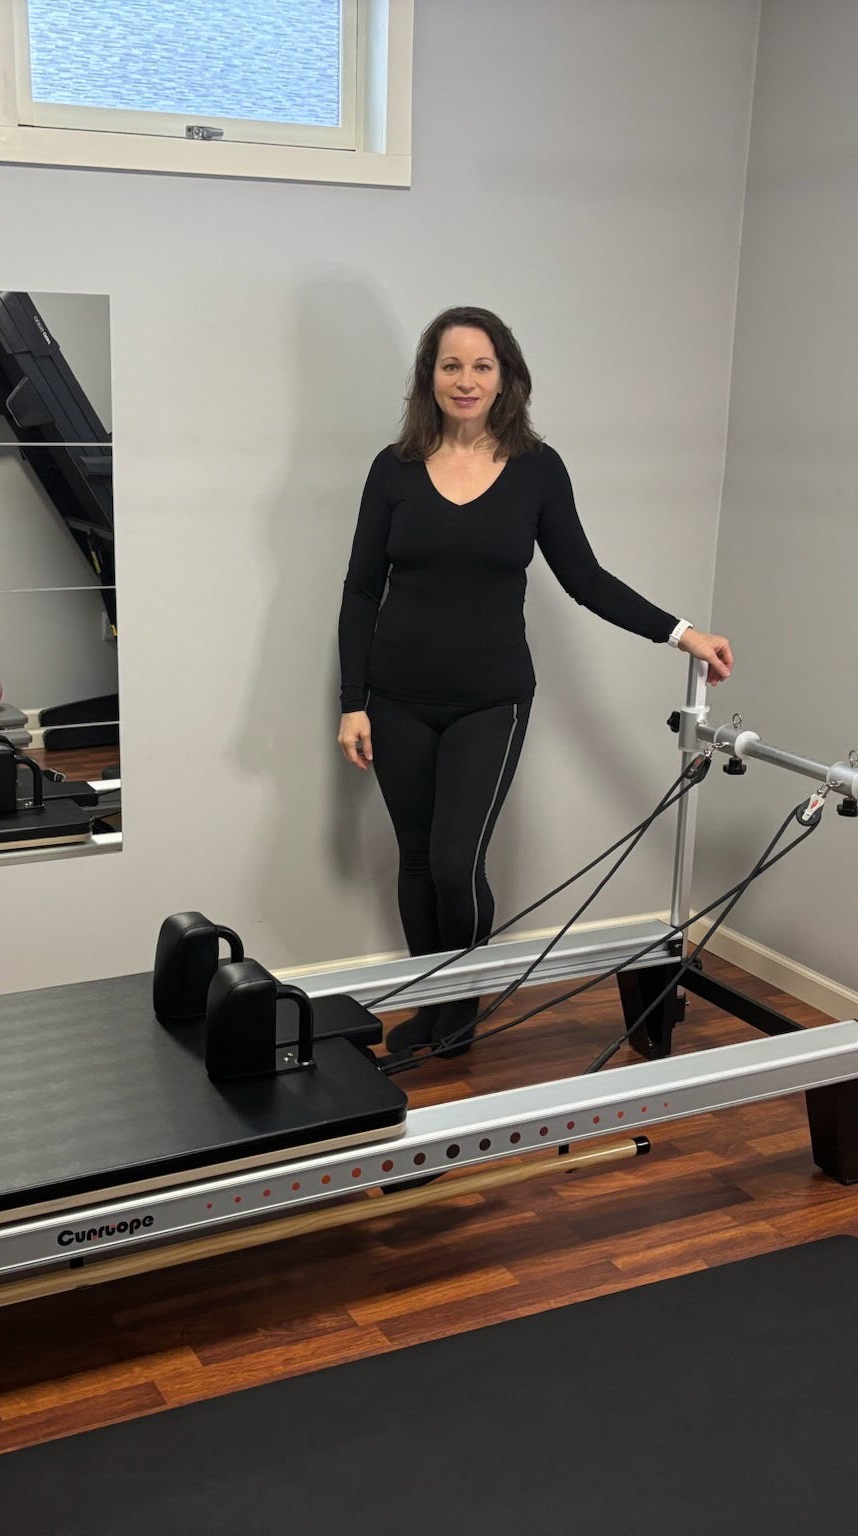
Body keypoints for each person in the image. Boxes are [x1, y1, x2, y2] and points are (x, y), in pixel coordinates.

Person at [336, 306, 733, 1060]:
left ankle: (459, 1007)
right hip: (396, 698)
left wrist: (682, 632)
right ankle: (432, 1007)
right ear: (429, 376)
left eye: (481, 366)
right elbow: (360, 590)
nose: (465, 380)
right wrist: (352, 703)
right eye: (451, 365)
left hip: (492, 701)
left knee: (455, 864)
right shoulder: (393, 468)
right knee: (415, 861)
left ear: (505, 377)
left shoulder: (537, 470)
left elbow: (585, 579)